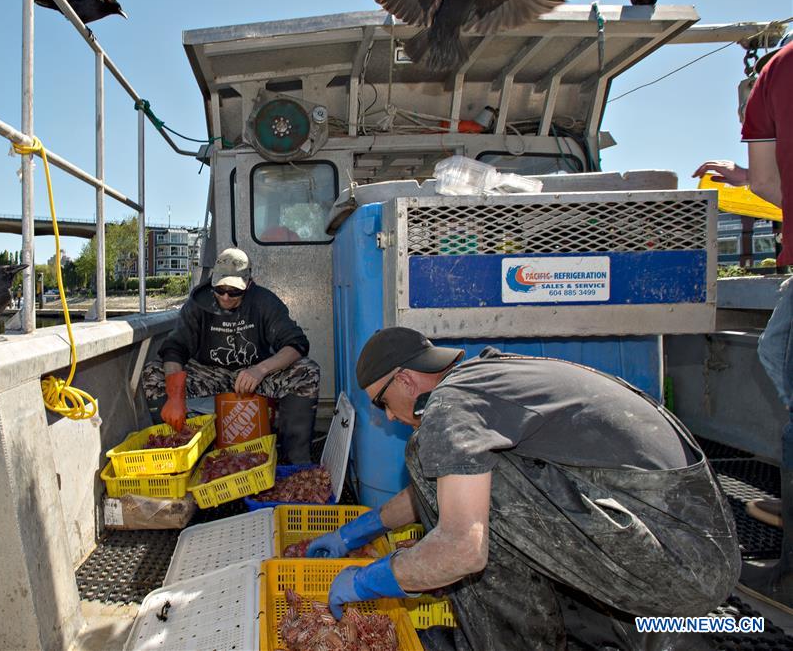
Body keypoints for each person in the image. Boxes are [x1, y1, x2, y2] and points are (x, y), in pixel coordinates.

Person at [309, 327, 740, 650]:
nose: (385, 417)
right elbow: (453, 483)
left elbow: (463, 547)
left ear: (404, 380)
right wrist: (360, 531)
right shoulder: (481, 381)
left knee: (452, 509)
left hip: (678, 562)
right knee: (453, 478)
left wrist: (367, 582)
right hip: (684, 537)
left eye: (381, 402)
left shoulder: (449, 408)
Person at [692, 36, 792, 605]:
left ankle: (787, 568)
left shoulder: (776, 72)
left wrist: (741, 176)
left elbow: (770, 184)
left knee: (779, 354)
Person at [141, 248, 319, 464]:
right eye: (220, 289)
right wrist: (175, 395)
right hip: (209, 373)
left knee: (307, 371)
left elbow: (296, 343)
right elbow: (174, 349)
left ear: (249, 284)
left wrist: (261, 369)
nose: (225, 296)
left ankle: (294, 461)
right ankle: (178, 454)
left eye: (234, 292)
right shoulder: (197, 303)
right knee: (154, 372)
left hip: (253, 374)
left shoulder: (264, 301)